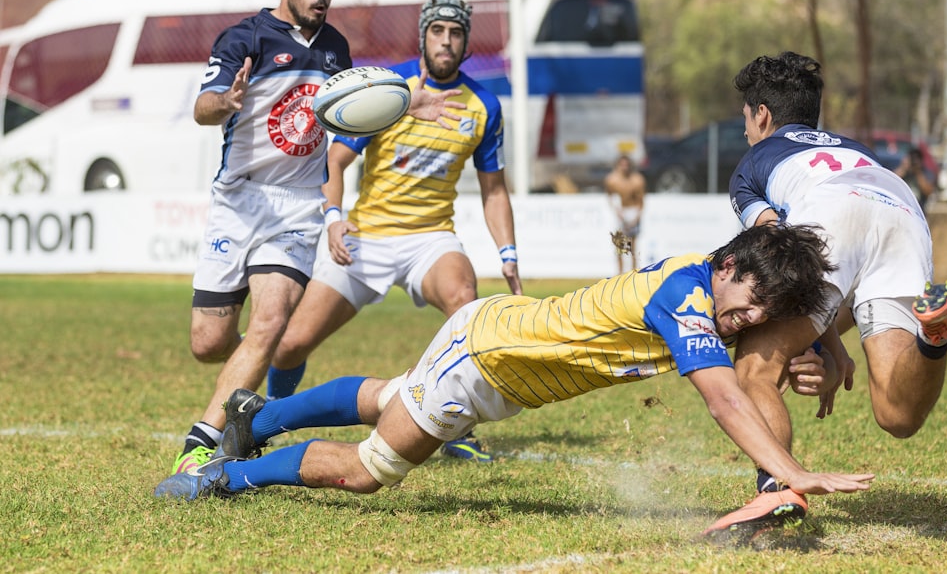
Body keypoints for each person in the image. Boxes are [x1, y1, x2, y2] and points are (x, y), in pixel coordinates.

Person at [155, 224, 875, 542]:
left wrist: (817, 353)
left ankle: (264, 413)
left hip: (499, 338)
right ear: (728, 269)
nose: (747, 319)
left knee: (387, 394)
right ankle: (227, 476)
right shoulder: (688, 300)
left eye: (761, 314)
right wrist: (790, 471)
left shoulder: (705, 277)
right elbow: (724, 395)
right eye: (747, 303)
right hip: (486, 362)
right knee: (370, 468)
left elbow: (751, 359)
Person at [168, 0, 457, 477]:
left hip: (299, 204)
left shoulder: (336, 49)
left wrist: (406, 101)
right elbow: (203, 107)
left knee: (271, 321)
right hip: (239, 201)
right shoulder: (245, 38)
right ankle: (247, 390)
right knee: (208, 343)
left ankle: (203, 443)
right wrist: (226, 102)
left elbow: (352, 112)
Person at [264, 0, 522, 464]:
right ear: (424, 36)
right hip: (366, 238)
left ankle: (453, 426)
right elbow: (334, 163)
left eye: (456, 33)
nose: (447, 41)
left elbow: (494, 191)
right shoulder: (386, 89)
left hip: (430, 238)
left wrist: (508, 253)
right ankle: (269, 416)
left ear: (466, 44)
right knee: (292, 344)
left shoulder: (484, 105)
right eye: (438, 31)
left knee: (464, 301)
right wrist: (334, 219)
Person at [709, 51, 947, 534]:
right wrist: (825, 341)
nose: (744, 129)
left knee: (756, 367)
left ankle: (775, 492)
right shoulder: (854, 145)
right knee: (897, 414)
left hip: (831, 209)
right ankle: (935, 338)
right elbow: (830, 278)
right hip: (901, 205)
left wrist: (822, 342)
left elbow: (781, 259)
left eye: (745, 116)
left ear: (762, 114)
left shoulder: (752, 163)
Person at [604, 154, 646, 273]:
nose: (624, 167)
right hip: (621, 212)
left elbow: (641, 200)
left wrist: (637, 216)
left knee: (632, 247)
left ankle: (633, 273)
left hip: (633, 211)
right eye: (622, 165)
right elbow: (610, 197)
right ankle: (620, 275)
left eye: (626, 165)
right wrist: (617, 211)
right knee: (620, 247)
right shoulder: (612, 179)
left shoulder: (637, 179)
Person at [894, 147, 936, 212]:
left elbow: (928, 191)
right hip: (902, 210)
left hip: (919, 212)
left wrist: (918, 172)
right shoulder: (904, 171)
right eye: (912, 159)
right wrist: (904, 167)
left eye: (917, 159)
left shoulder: (926, 173)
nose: (914, 162)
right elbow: (893, 181)